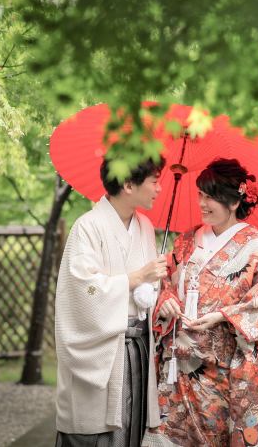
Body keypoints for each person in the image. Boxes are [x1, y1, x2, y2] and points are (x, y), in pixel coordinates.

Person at [143, 158, 258, 447]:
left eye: (211, 197)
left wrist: (222, 315)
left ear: (234, 202)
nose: (202, 204)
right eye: (200, 195)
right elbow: (164, 283)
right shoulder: (186, 241)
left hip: (219, 373)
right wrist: (166, 300)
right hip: (175, 368)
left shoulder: (256, 248)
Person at [55, 157, 168, 447]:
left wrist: (157, 295)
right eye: (154, 181)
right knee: (95, 434)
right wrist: (136, 277)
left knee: (132, 428)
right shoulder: (87, 227)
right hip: (103, 350)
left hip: (137, 348)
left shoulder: (144, 226)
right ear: (128, 185)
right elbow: (83, 291)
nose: (159, 188)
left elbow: (149, 288)